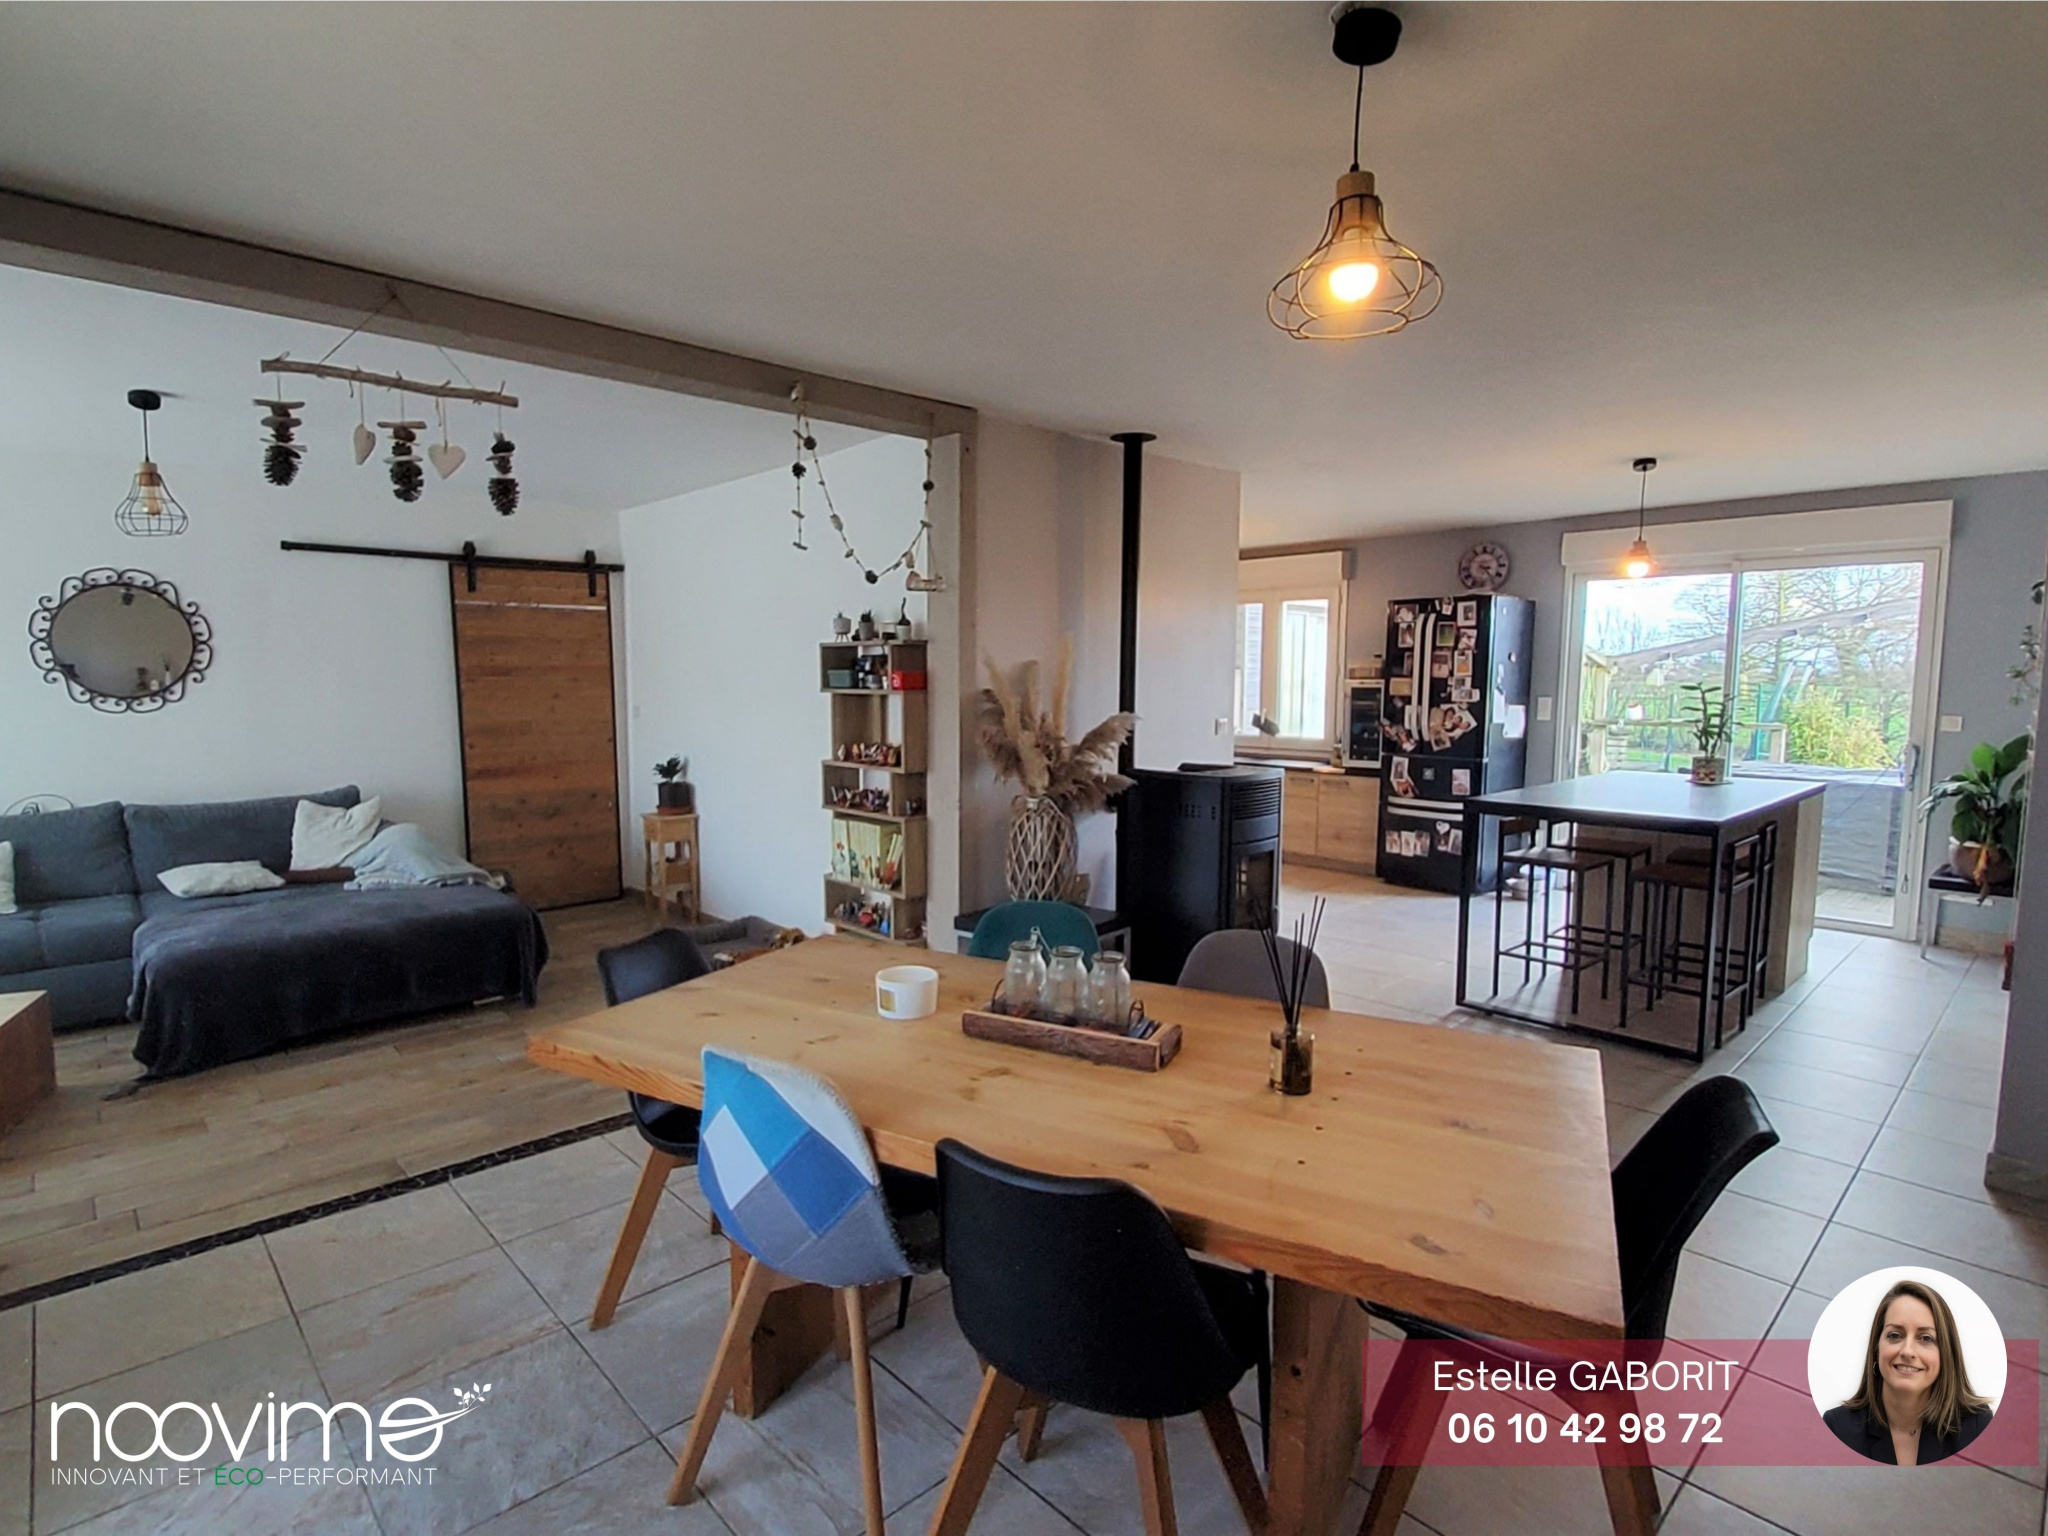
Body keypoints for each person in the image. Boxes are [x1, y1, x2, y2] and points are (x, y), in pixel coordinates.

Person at [1823, 1279, 1994, 1465]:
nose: (1907, 1351)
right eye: (1894, 1335)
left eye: (1926, 1338)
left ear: (1946, 1353)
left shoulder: (1976, 1425)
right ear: (1876, 1347)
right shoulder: (1838, 1428)